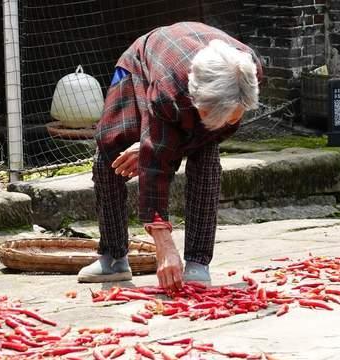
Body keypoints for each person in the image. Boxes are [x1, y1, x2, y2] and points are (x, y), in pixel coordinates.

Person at [77, 22, 262, 293]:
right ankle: (114, 256)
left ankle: (198, 262)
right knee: (110, 149)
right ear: (194, 98)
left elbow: (175, 144)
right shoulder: (168, 91)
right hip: (143, 64)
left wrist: (157, 147)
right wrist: (163, 245)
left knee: (206, 155)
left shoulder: (248, 71)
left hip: (196, 80)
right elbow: (155, 165)